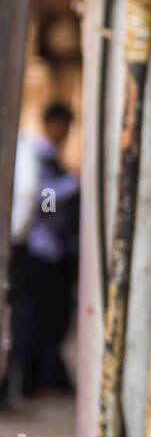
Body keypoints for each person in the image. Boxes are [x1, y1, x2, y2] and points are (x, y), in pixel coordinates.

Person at [6, 101, 80, 400]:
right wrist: (73, 185)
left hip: (51, 253)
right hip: (41, 253)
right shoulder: (38, 155)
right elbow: (42, 198)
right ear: (54, 124)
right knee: (36, 319)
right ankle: (30, 382)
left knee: (50, 319)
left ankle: (39, 380)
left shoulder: (47, 156)